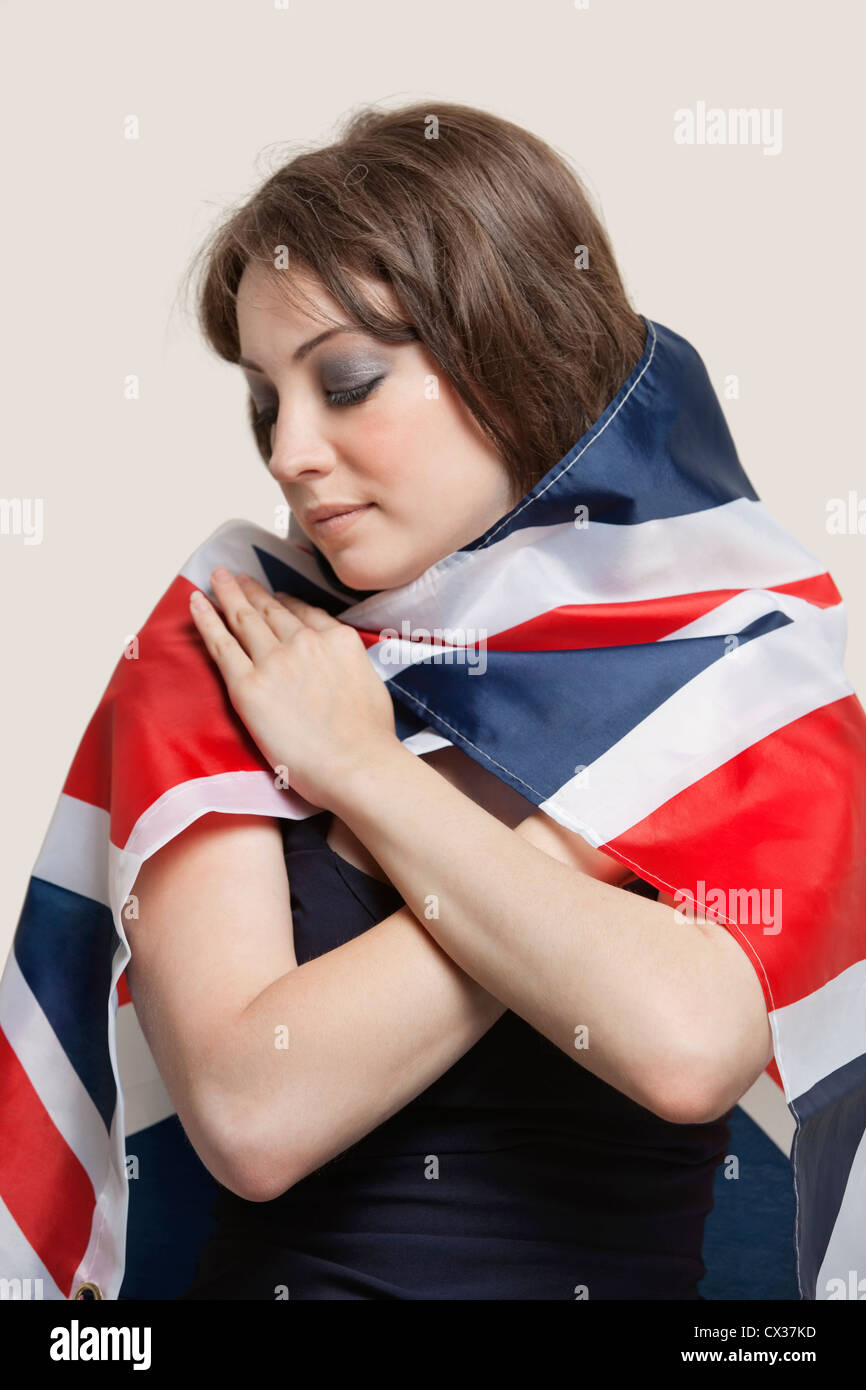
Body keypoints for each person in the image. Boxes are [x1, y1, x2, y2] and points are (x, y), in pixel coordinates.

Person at [123, 100, 773, 1300]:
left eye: (347, 381)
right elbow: (249, 1109)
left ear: (507, 348)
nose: (287, 451)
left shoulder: (729, 659)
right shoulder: (231, 639)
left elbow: (687, 1045)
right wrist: (575, 845)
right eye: (267, 398)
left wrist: (364, 776)